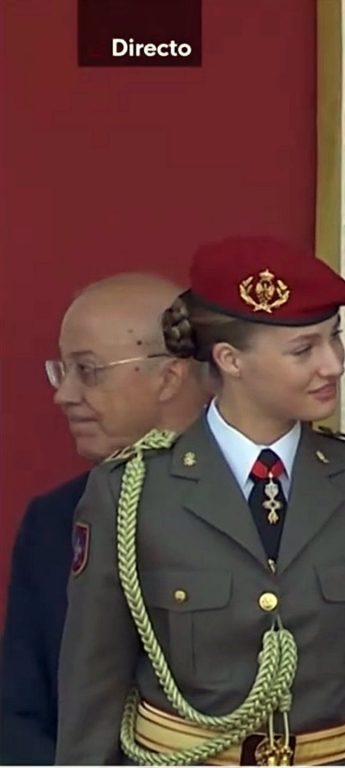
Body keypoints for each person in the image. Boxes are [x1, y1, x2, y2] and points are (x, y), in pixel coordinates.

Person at [54, 236, 345, 764]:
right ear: (230, 359)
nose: (332, 364)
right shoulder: (131, 490)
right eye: (303, 349)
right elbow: (91, 690)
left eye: (335, 339)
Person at [0, 273, 209, 764]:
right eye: (63, 371)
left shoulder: (278, 505)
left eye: (88, 371)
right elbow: (16, 714)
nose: (64, 395)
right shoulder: (55, 522)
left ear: (169, 377)